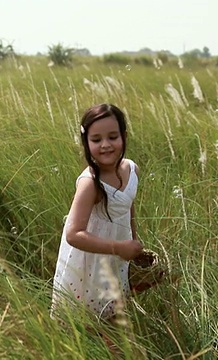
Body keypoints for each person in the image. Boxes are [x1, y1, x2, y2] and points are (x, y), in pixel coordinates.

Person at [51, 103, 144, 323]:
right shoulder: (90, 183)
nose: (105, 145)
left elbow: (128, 205)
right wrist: (118, 247)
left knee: (115, 313)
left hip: (117, 254)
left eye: (113, 137)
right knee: (85, 318)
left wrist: (133, 239)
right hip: (90, 260)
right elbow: (73, 234)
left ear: (124, 136)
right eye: (96, 140)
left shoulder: (132, 169)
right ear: (86, 142)